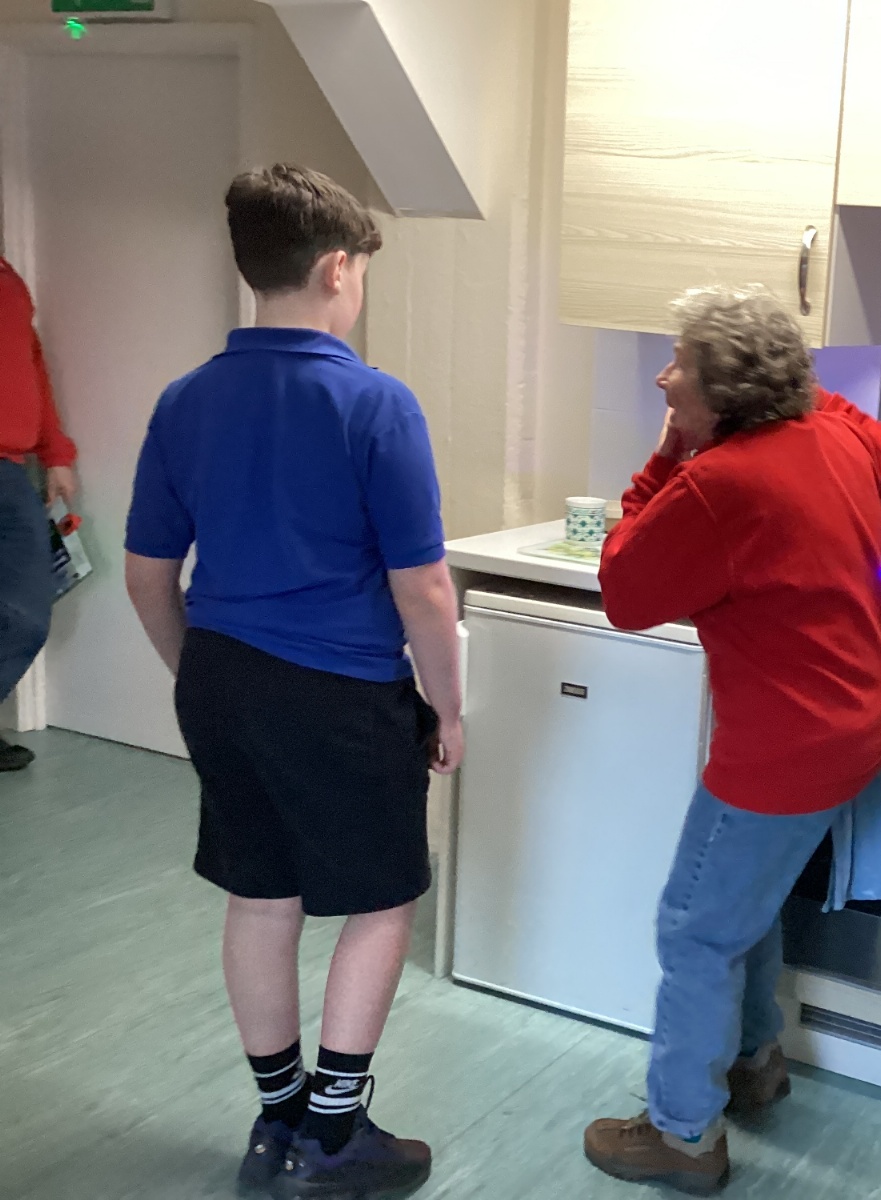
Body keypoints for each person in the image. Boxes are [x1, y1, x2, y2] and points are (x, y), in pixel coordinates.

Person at [124, 164, 462, 1199]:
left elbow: (147, 575)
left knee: (261, 895)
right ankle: (334, 1136)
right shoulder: (376, 403)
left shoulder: (185, 400)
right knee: (384, 898)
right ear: (336, 269)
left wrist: (198, 673)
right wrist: (449, 708)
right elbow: (424, 589)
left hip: (222, 677)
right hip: (341, 691)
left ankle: (278, 1122)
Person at [584, 285, 881, 1194]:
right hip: (856, 720)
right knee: (746, 902)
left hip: (785, 744)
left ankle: (684, 1135)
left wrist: (664, 459)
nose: (663, 379)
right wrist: (797, 386)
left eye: (679, 366)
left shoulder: (718, 484)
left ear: (725, 395)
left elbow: (624, 589)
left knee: (693, 930)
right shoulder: (835, 435)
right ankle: (753, 1061)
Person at [0, 256, 76, 772]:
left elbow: (31, 365)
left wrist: (56, 453)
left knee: (26, 612)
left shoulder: (8, 279)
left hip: (9, 470)